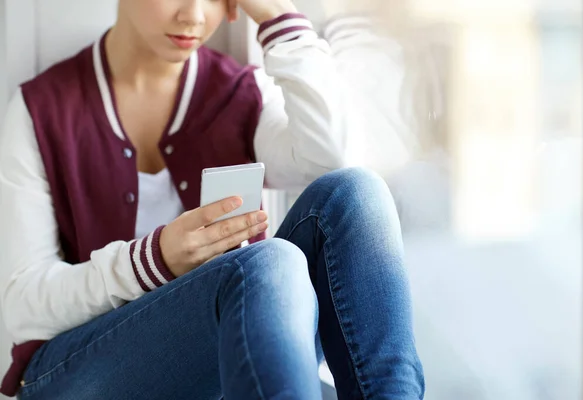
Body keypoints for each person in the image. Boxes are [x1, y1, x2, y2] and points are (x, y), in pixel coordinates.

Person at [0, 0, 424, 398]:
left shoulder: (238, 95)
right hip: (75, 373)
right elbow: (23, 306)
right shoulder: (40, 109)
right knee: (269, 261)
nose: (194, 16)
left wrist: (279, 16)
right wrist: (152, 260)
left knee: (356, 194)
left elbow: (330, 158)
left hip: (222, 349)